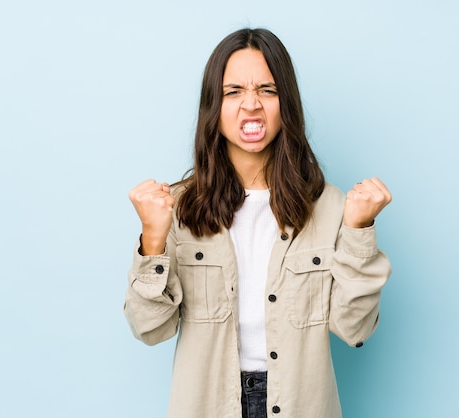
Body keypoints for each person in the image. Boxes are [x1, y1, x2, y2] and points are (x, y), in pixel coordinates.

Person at [124, 28, 392, 418]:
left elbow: (355, 329)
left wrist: (359, 232)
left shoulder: (332, 206)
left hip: (302, 404)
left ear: (286, 103)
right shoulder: (178, 208)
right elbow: (150, 329)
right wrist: (152, 238)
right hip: (211, 403)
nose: (251, 104)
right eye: (234, 91)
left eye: (267, 90)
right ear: (214, 107)